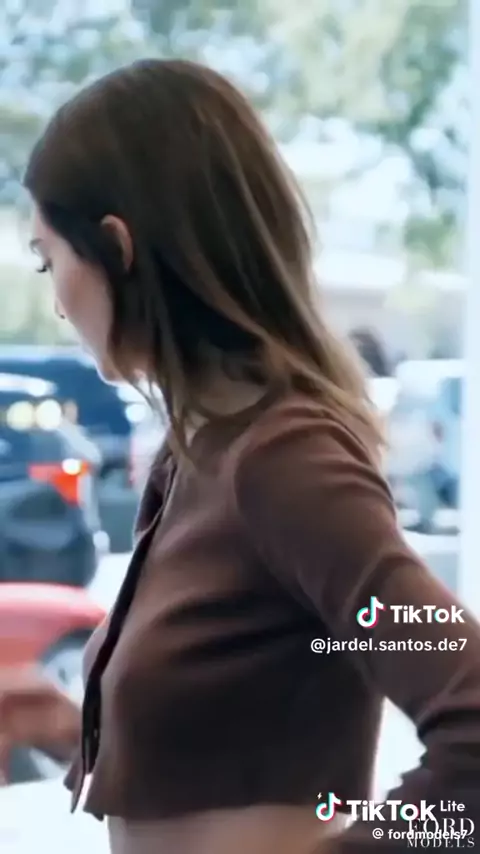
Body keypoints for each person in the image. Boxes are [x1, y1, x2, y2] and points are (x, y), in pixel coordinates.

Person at [1, 58, 480, 854]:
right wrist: (74, 728)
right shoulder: (195, 457)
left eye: (52, 262)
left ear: (117, 248)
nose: (55, 302)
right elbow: (234, 740)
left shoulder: (285, 465)